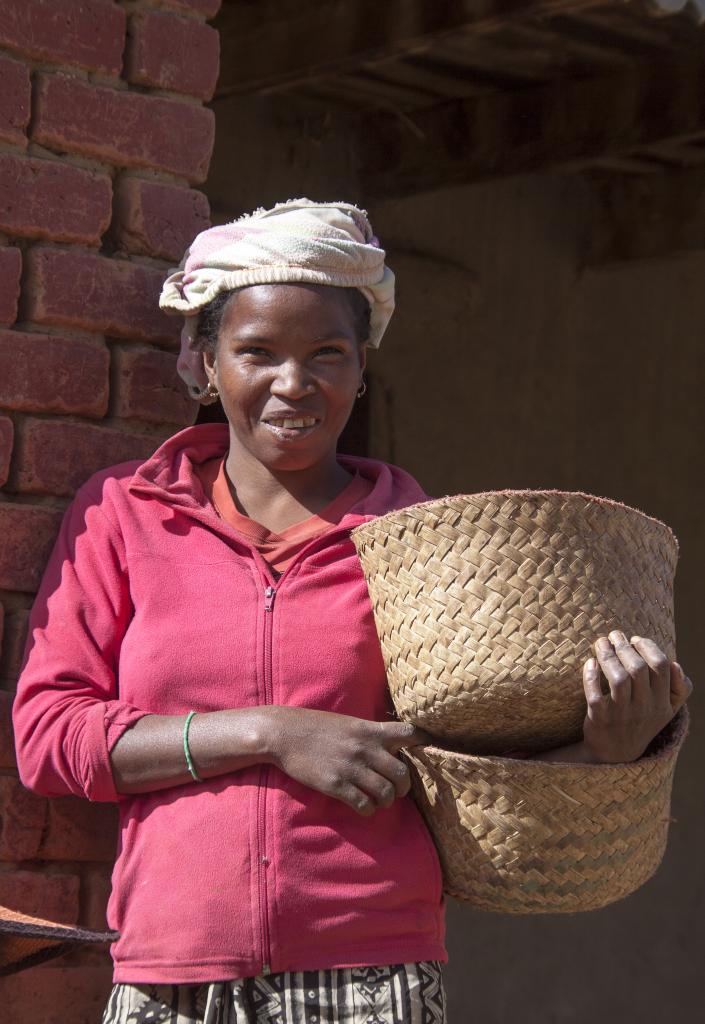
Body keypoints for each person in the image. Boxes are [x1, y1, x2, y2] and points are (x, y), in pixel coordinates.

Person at [12, 200, 692, 1024]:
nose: (292, 385)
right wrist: (270, 732)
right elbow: (49, 737)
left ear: (360, 368)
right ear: (203, 362)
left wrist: (603, 751)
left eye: (326, 354)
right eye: (256, 352)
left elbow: (471, 762)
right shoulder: (121, 515)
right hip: (170, 973)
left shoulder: (424, 544)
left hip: (371, 972)